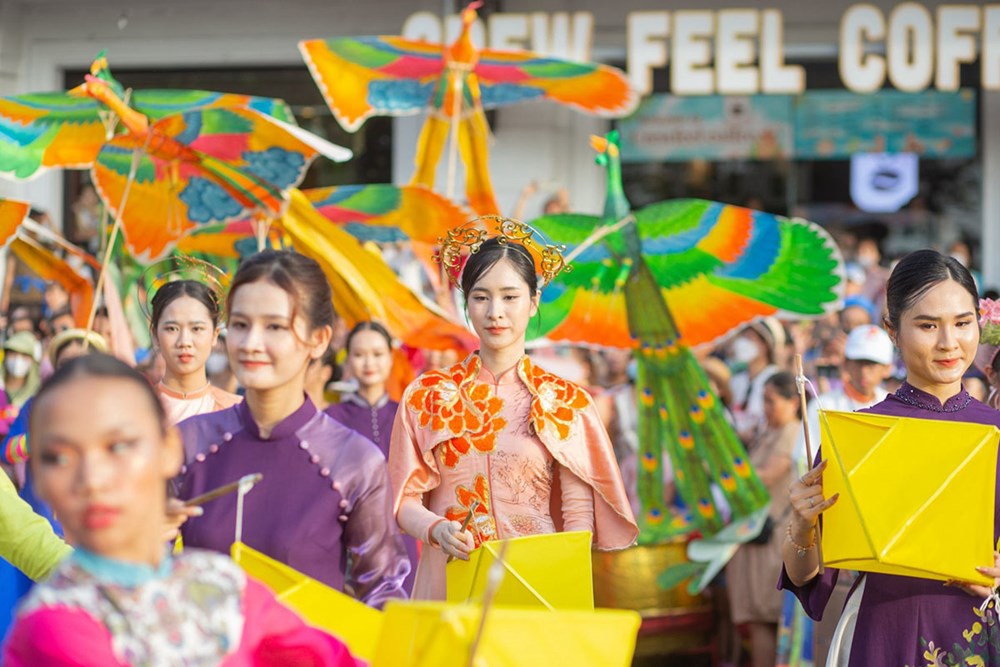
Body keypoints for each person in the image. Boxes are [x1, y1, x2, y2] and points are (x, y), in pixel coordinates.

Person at [2, 354, 356, 666]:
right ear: (41, 480)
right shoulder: (51, 625)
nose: (92, 478)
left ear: (170, 450)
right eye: (59, 457)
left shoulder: (225, 585)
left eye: (119, 446)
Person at [780, 249, 1000, 666]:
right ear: (892, 330)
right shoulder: (857, 435)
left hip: (978, 635)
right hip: (883, 635)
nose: (948, 342)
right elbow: (804, 576)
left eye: (962, 323)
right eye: (927, 325)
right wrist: (802, 523)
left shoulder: (997, 430)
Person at [389, 234, 638, 600]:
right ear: (466, 304)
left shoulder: (563, 401)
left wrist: (564, 585)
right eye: (481, 297)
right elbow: (404, 502)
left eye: (509, 296)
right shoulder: (427, 396)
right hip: (451, 576)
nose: (495, 312)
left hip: (537, 580)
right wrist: (436, 528)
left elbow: (578, 515)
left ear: (534, 302)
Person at [173, 250, 409, 608]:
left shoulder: (353, 461)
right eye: (240, 324)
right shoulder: (187, 442)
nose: (251, 343)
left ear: (319, 339)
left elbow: (382, 594)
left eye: (275, 327)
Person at [326, 320, 417, 595]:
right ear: (349, 360)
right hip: (350, 541)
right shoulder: (331, 419)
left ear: (391, 358)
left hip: (404, 535)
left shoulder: (408, 415)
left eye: (377, 354)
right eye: (359, 354)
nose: (369, 362)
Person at [727, 371, 801, 667]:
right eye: (764, 400)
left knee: (764, 620)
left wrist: (728, 475)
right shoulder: (769, 430)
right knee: (759, 621)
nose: (767, 407)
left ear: (793, 402)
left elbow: (766, 476)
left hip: (772, 540)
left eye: (772, 401)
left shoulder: (791, 432)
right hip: (758, 538)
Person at [794, 324, 894, 466]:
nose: (864, 371)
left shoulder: (893, 405)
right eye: (859, 363)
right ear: (846, 363)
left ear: (887, 368)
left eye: (872, 364)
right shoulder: (823, 405)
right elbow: (804, 460)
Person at [150, 280, 241, 425]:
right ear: (155, 335)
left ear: (214, 335)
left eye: (196, 329)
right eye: (172, 329)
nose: (184, 341)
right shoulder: (137, 408)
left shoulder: (236, 413)